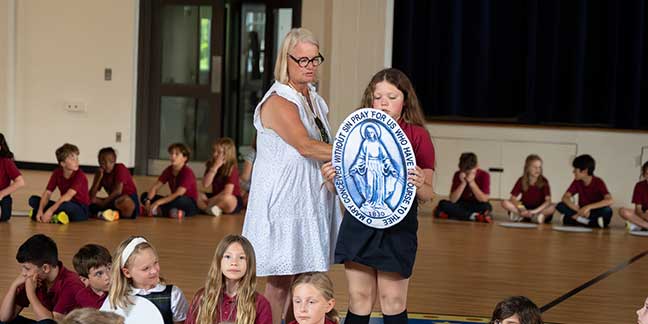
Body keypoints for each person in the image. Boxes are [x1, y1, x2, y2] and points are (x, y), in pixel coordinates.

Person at [242, 28, 341, 324]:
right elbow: (306, 146)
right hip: (282, 203)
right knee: (280, 281)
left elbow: (324, 144)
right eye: (302, 60)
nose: (310, 65)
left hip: (308, 199)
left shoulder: (314, 98)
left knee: (303, 279)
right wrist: (355, 152)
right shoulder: (278, 100)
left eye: (315, 59)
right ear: (286, 60)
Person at [322, 68, 435, 324]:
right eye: (378, 96)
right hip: (358, 223)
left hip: (397, 226)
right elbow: (343, 186)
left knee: (392, 300)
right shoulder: (354, 132)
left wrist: (419, 184)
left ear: (405, 100)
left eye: (392, 96)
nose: (384, 102)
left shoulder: (418, 136)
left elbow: (428, 194)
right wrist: (331, 180)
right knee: (359, 297)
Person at [185, 235, 271, 324]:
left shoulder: (260, 304)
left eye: (241, 257)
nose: (234, 263)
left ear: (249, 264)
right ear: (219, 261)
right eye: (228, 256)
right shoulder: (201, 297)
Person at [0, 234, 84, 323]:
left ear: (45, 268)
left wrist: (30, 293)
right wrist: (14, 286)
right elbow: (4, 318)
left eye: (27, 268)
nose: (23, 273)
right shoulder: (34, 278)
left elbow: (51, 322)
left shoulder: (71, 284)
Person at [106, 236, 189, 324]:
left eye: (155, 262)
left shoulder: (173, 295)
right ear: (127, 273)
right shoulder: (116, 298)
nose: (154, 271)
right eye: (146, 268)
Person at [28, 143, 90, 224]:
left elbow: (68, 195)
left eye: (77, 158)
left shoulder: (80, 175)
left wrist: (50, 210)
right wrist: (40, 210)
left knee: (65, 206)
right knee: (33, 200)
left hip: (81, 209)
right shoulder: (57, 173)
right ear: (63, 164)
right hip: (63, 203)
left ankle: (51, 215)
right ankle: (54, 216)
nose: (77, 161)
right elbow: (47, 193)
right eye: (72, 159)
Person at [141, 143, 199, 218]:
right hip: (173, 200)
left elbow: (178, 194)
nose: (173, 156)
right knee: (144, 195)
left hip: (187, 203)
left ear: (185, 158)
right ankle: (171, 212)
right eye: (171, 153)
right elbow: (155, 187)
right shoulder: (169, 170)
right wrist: (148, 202)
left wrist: (158, 202)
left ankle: (157, 211)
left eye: (176, 154)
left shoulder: (188, 173)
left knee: (178, 200)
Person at [556, 154, 614, 228]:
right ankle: (591, 223)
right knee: (560, 205)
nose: (573, 171)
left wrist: (588, 207)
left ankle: (576, 220)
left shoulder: (598, 182)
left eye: (575, 169)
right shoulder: (577, 181)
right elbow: (565, 197)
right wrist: (577, 209)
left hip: (593, 211)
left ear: (584, 171)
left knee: (607, 211)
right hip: (581, 211)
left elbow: (610, 200)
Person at [434, 152, 492, 222]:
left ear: (477, 166)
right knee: (443, 203)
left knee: (487, 206)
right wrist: (463, 183)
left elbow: (484, 199)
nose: (467, 174)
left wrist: (471, 182)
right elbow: (453, 200)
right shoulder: (457, 174)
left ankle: (454, 215)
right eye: (465, 172)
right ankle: (473, 216)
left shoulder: (484, 175)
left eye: (470, 172)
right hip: (461, 203)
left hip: (477, 203)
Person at [501, 154, 554, 224]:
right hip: (525, 207)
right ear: (527, 168)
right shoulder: (521, 180)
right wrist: (522, 209)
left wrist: (534, 211)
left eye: (539, 167)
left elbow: (548, 201)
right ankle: (523, 215)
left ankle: (537, 216)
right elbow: (513, 198)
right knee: (504, 202)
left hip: (539, 208)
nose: (538, 170)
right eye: (535, 167)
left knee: (553, 207)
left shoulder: (544, 181)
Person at [89, 147, 139, 221]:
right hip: (111, 201)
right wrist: (98, 179)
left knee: (123, 201)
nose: (107, 165)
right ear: (99, 162)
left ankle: (103, 212)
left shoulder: (120, 168)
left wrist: (103, 203)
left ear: (114, 161)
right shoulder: (100, 173)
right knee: (90, 200)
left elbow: (118, 191)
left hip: (127, 199)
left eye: (110, 162)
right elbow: (91, 195)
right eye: (103, 163)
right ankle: (109, 213)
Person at [198, 138, 243, 216]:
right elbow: (205, 184)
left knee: (226, 198)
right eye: (214, 151)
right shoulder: (211, 165)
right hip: (216, 196)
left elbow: (227, 192)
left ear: (226, 154)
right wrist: (215, 167)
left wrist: (209, 200)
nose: (215, 154)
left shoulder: (232, 168)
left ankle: (209, 208)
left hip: (231, 198)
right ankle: (212, 209)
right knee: (197, 194)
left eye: (218, 152)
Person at [73, 244, 112, 309]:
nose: (107, 277)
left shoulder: (123, 290)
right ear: (84, 279)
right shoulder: (81, 299)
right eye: (99, 274)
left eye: (109, 268)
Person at [0, 133, 25, 222]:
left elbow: (20, 182)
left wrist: (1, 194)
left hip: (2, 198)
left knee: (4, 215)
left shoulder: (6, 162)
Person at [619, 161, 648, 232]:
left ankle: (639, 225)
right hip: (643, 215)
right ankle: (644, 225)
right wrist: (644, 215)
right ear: (644, 175)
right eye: (647, 173)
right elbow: (638, 209)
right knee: (622, 211)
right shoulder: (639, 186)